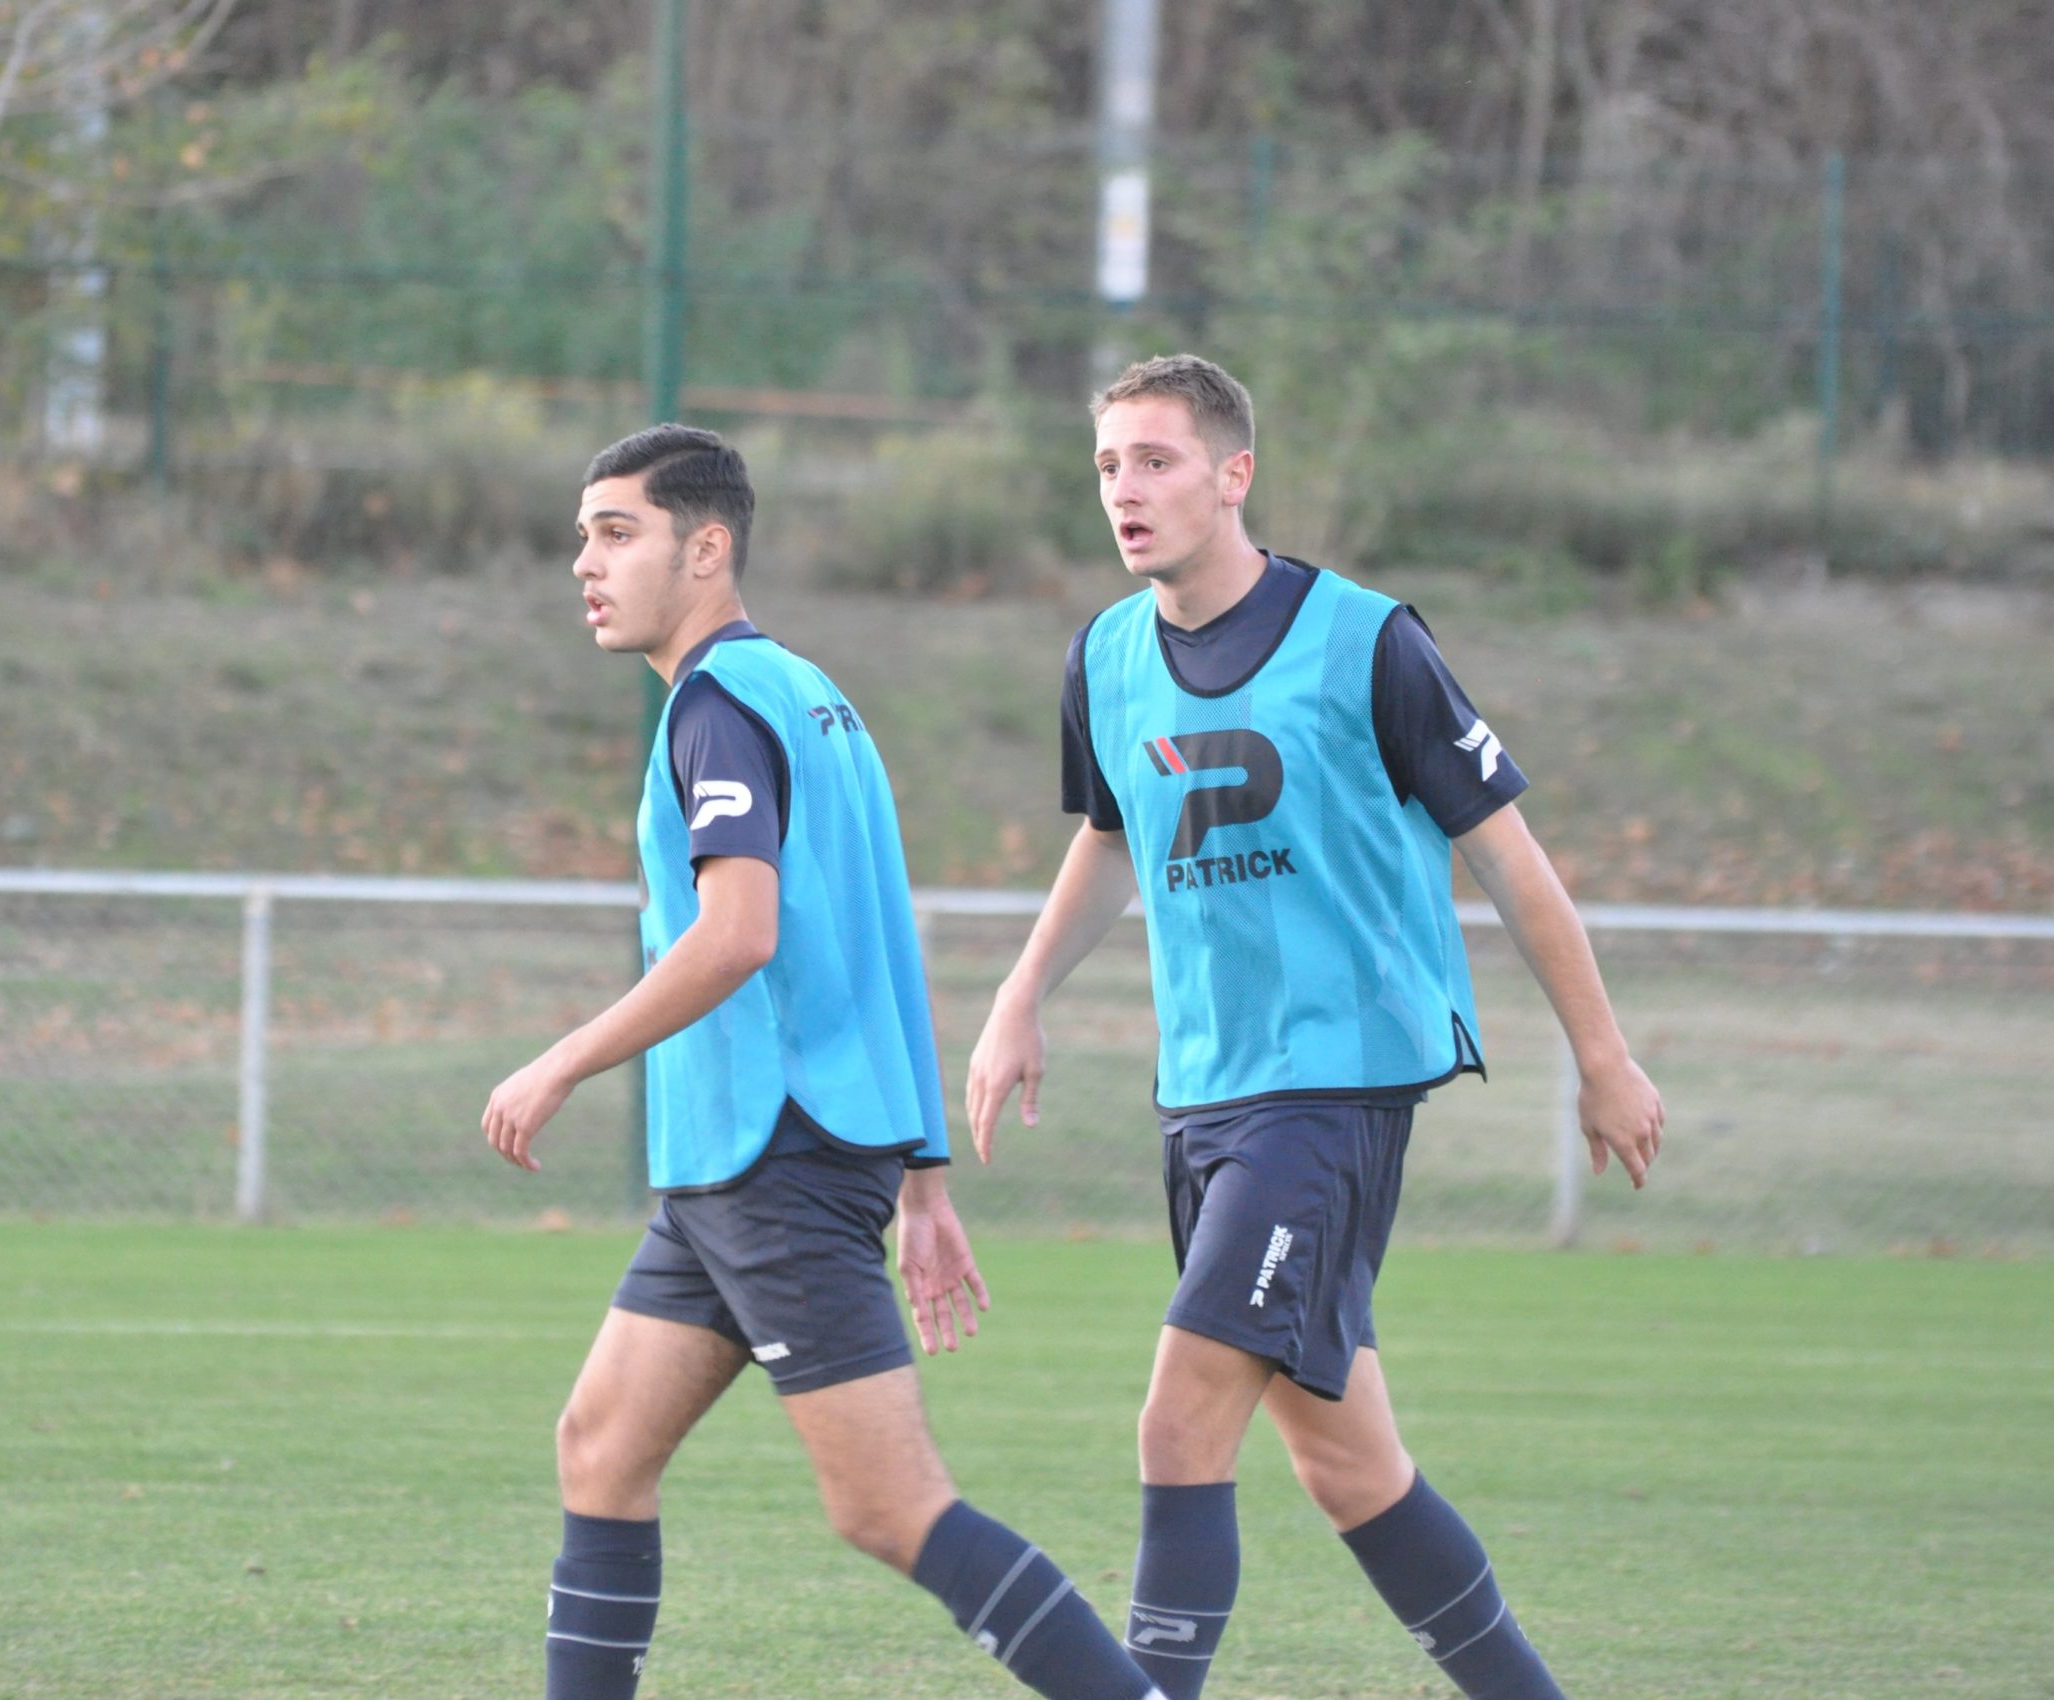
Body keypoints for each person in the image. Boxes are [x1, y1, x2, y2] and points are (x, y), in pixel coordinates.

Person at [965, 355, 1666, 1700]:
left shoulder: (1366, 641)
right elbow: (1112, 839)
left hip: (1331, 1098)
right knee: (1349, 1468)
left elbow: (1513, 860)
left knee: (1179, 1423)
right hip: (1208, 1099)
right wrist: (1019, 997)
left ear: (1235, 476)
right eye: (1110, 463)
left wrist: (1603, 1055)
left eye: (1158, 460)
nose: (1127, 488)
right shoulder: (1107, 656)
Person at [482, 423, 1170, 1700]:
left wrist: (562, 1060)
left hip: (776, 1158)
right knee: (599, 1448)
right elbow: (875, 940)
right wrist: (922, 1175)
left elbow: (738, 935)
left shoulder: (718, 706)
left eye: (615, 532)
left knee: (890, 1506)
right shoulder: (813, 693)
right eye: (583, 534)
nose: (585, 561)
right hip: (746, 1163)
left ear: (707, 546)